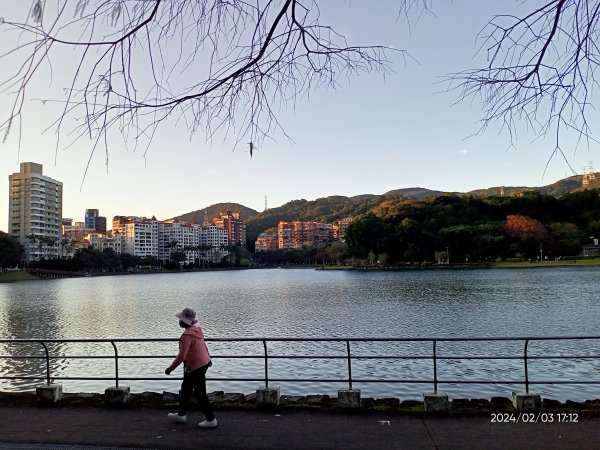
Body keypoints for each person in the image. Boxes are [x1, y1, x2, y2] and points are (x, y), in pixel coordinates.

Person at [165, 307, 217, 428]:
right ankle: (181, 414)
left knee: (200, 393)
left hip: (195, 367)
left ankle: (211, 419)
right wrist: (208, 359)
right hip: (202, 363)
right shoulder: (197, 330)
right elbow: (203, 346)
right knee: (186, 389)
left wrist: (170, 368)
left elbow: (182, 356)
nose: (179, 321)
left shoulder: (186, 336)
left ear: (184, 322)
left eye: (180, 319)